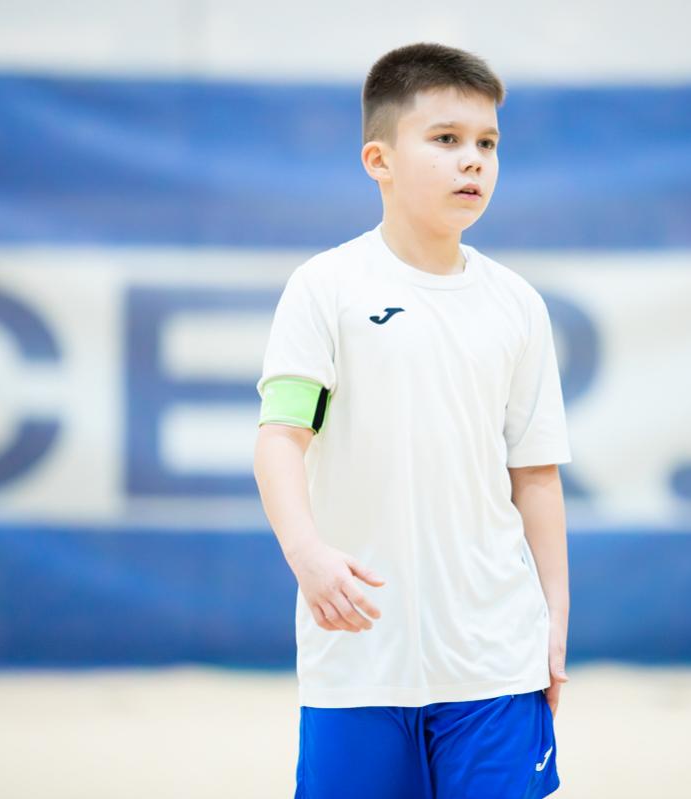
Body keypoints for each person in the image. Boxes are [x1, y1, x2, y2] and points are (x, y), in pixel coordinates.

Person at [252, 41, 572, 799]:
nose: (473, 161)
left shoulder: (517, 305)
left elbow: (534, 473)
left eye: (487, 143)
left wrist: (552, 621)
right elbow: (279, 440)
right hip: (357, 662)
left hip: (494, 662)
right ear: (379, 159)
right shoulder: (325, 287)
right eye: (446, 139)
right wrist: (306, 553)